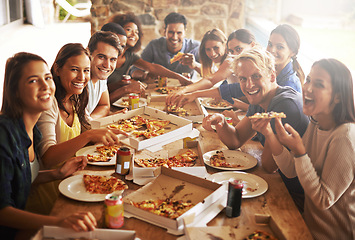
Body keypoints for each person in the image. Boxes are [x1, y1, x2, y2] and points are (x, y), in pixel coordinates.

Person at [253, 59, 355, 239]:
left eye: (319, 84)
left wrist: (300, 152)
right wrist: (269, 133)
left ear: (337, 97)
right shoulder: (317, 122)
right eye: (308, 80)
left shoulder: (344, 137)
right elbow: (292, 170)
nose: (307, 88)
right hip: (306, 225)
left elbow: (323, 200)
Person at [0, 52, 96, 239]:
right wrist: (58, 221)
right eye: (33, 81)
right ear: (15, 91)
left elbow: (20, 179)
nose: (45, 86)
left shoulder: (32, 129)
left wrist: (57, 174)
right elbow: (2, 211)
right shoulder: (4, 136)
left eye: (47, 78)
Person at [202, 48, 309, 212]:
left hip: (297, 198)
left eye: (256, 76)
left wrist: (267, 132)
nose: (249, 85)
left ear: (272, 76)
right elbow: (236, 139)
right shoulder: (260, 98)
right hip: (279, 183)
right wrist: (221, 123)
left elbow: (269, 166)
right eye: (243, 79)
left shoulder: (285, 104)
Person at [28, 43, 125, 214]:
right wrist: (88, 136)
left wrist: (118, 129)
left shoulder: (75, 98)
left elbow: (91, 127)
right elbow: (48, 157)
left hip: (73, 181)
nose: (82, 77)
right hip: (50, 194)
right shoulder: (49, 105)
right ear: (57, 69)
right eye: (75, 69)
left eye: (86, 70)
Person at [105, 14, 192, 103]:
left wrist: (179, 77)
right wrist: (126, 88)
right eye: (129, 30)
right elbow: (100, 95)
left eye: (137, 32)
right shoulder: (106, 56)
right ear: (116, 31)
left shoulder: (129, 56)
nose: (134, 35)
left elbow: (152, 67)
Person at [167, 29, 256, 110]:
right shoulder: (235, 59)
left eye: (239, 49)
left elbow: (212, 80)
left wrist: (185, 90)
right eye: (232, 51)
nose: (212, 53)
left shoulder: (232, 61)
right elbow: (220, 81)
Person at [130, 12, 201, 81]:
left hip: (188, 90)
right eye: (171, 32)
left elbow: (210, 74)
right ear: (165, 31)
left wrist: (195, 65)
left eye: (179, 33)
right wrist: (144, 76)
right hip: (159, 90)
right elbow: (134, 70)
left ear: (185, 32)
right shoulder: (154, 45)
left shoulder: (195, 47)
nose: (174, 37)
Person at [86, 30, 126, 120]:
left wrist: (90, 120)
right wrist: (89, 121)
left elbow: (104, 106)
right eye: (101, 57)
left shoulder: (101, 77)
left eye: (112, 60)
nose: (107, 65)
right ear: (88, 53)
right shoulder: (81, 81)